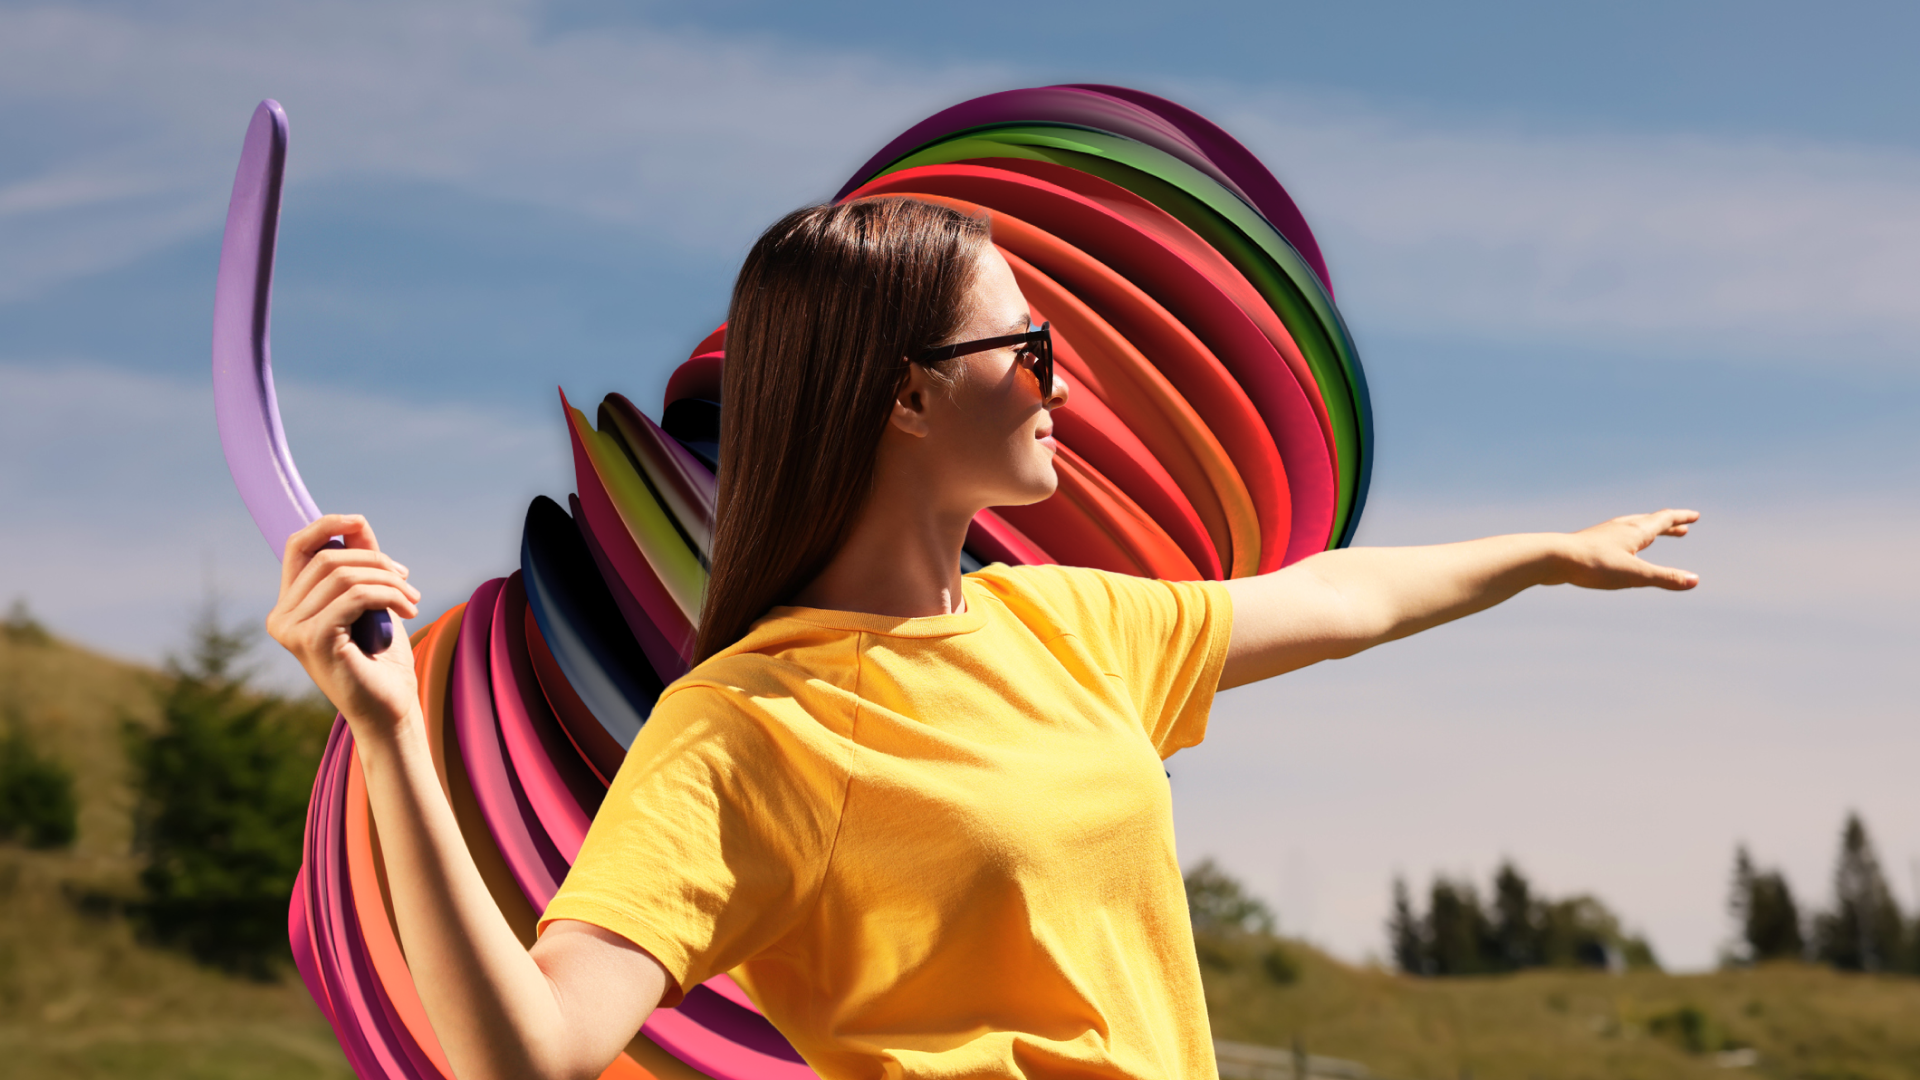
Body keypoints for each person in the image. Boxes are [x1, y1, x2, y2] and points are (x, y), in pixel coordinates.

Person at [268, 197, 1698, 1080]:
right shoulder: (747, 729)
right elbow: (533, 1049)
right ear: (902, 399)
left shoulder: (1060, 622)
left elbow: (1335, 600)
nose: (1056, 383)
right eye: (1027, 351)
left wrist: (1547, 556)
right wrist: (388, 736)